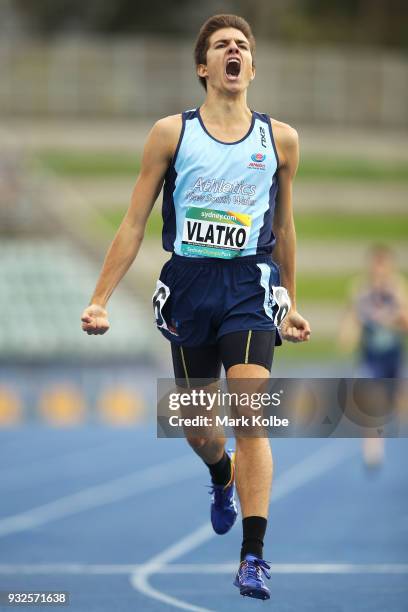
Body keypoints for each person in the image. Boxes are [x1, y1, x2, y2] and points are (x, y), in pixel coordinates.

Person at [81, 14, 311, 600]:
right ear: (203, 67)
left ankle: (253, 557)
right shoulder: (171, 134)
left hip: (248, 288)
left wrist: (287, 300)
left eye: (243, 46)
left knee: (251, 419)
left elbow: (283, 227)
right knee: (198, 428)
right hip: (188, 285)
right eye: (222, 46)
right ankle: (220, 473)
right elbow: (134, 222)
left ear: (252, 67)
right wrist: (100, 299)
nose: (234, 52)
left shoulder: (279, 139)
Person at [339, 244, 408, 466]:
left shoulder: (397, 288)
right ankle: (373, 448)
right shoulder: (360, 290)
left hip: (393, 355)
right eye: (375, 265)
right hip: (370, 356)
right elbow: (352, 317)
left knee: (400, 406)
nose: (378, 270)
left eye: (383, 265)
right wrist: (347, 335)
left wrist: (392, 316)